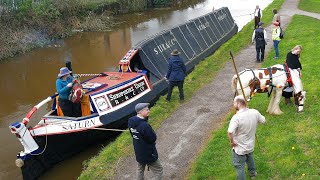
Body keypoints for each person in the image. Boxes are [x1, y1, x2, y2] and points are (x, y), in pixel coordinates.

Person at [227, 95, 266, 179]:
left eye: (234, 102)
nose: (233, 104)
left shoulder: (236, 118)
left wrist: (232, 142)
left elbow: (230, 132)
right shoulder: (254, 112)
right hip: (250, 144)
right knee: (250, 157)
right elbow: (263, 120)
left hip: (239, 148)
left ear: (239, 103)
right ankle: (253, 174)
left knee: (239, 166)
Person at [128, 103, 163, 180]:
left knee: (140, 169)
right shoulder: (145, 126)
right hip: (148, 153)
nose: (149, 111)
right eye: (147, 110)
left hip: (139, 151)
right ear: (140, 112)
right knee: (159, 171)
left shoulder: (131, 121)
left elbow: (132, 134)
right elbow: (152, 138)